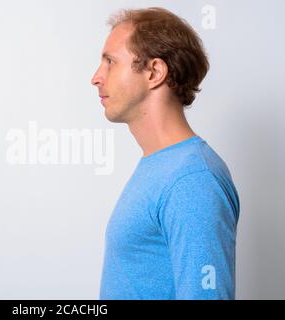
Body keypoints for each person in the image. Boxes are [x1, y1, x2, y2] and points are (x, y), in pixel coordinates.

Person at [91, 7, 240, 299]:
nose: (96, 77)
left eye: (110, 61)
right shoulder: (162, 165)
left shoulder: (193, 180)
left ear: (155, 72)